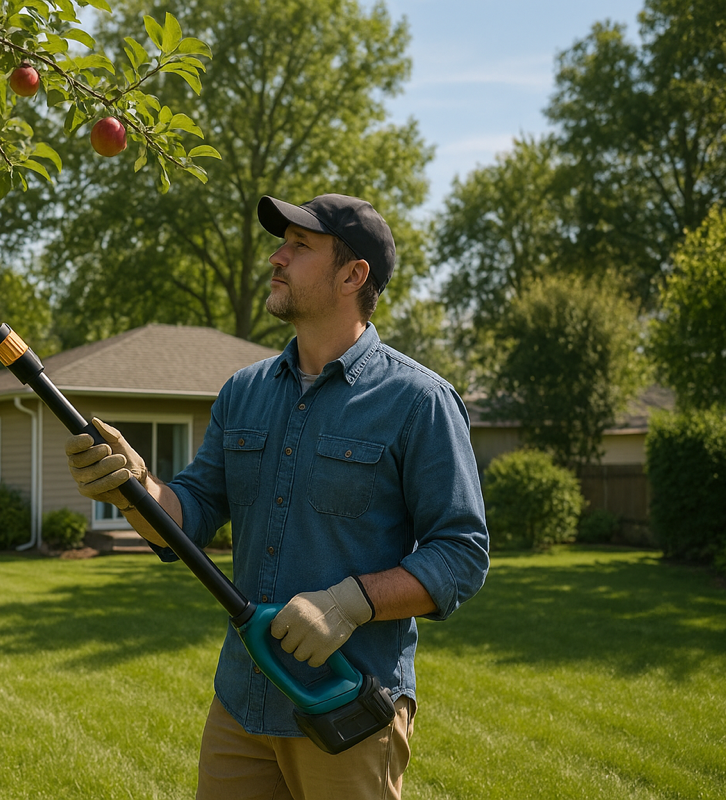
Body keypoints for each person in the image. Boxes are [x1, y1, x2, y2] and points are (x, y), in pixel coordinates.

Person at [65, 194, 489, 800]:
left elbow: (461, 555)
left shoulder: (418, 401)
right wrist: (133, 486)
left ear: (353, 275)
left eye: (299, 246)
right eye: (282, 243)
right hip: (243, 701)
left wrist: (350, 603)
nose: (277, 257)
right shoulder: (244, 392)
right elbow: (185, 518)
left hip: (346, 707)